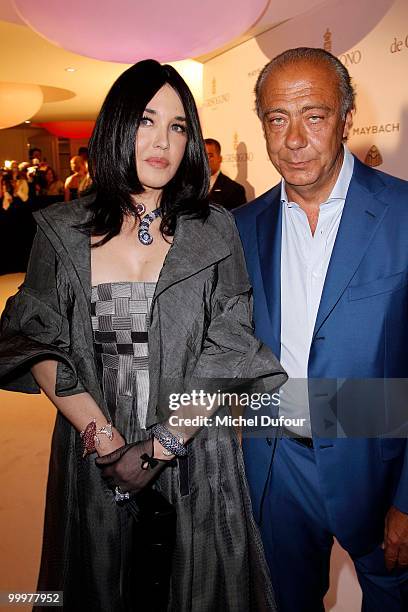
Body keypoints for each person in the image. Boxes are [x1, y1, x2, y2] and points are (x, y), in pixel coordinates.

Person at [0, 60, 286, 612]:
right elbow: (38, 341)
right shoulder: (60, 230)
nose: (162, 141)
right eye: (147, 120)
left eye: (178, 126)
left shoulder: (215, 227)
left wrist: (159, 448)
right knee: (99, 584)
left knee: (194, 588)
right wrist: (108, 444)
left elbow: (229, 348)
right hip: (94, 452)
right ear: (117, 126)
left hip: (195, 452)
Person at [234, 47, 408, 612]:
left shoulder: (403, 213)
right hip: (276, 462)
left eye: (315, 115)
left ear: (347, 119)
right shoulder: (241, 227)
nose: (293, 139)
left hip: (379, 457)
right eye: (276, 119)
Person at [204, 138, 247, 210]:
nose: (205, 160)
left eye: (209, 156)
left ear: (219, 159)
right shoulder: (190, 187)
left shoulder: (234, 190)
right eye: (202, 156)